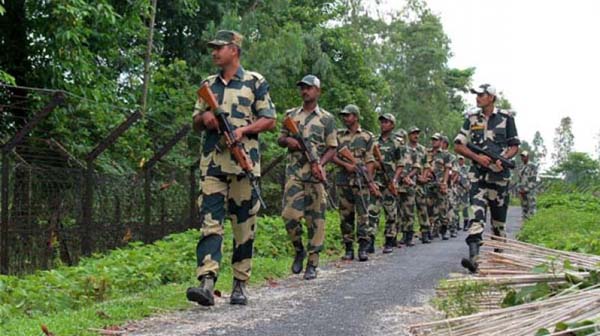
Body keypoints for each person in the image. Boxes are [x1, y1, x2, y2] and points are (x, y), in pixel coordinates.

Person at [187, 30, 276, 306]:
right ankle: (207, 282)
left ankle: (239, 284)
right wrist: (206, 118)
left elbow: (270, 119)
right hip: (212, 164)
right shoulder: (208, 85)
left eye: (219, 48)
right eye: (212, 48)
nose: (214, 52)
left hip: (243, 164)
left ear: (234, 50)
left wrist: (243, 131)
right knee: (210, 224)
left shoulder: (254, 82)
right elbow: (195, 120)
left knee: (243, 226)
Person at [454, 84, 520, 273]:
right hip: (478, 177)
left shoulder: (506, 118)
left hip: (499, 178)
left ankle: (499, 257)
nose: (477, 98)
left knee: (498, 223)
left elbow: (514, 145)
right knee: (476, 217)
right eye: (476, 95)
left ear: (491, 97)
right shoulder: (471, 119)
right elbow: (458, 145)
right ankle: (474, 259)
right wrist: (477, 158)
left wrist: (504, 159)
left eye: (481, 95)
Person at [278, 75, 337, 280]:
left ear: (318, 91)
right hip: (294, 173)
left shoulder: (327, 119)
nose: (305, 91)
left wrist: (319, 163)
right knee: (290, 215)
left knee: (316, 220)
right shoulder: (291, 115)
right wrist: (289, 142)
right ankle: (298, 250)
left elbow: (332, 148)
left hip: (315, 175)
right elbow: (281, 138)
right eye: (302, 88)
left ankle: (312, 262)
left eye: (309, 88)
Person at [333, 104, 379, 262]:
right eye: (344, 116)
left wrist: (369, 179)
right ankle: (348, 248)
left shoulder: (367, 136)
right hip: (343, 180)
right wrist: (346, 165)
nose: (345, 118)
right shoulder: (338, 136)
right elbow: (332, 155)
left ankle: (363, 248)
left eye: (348, 115)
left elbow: (370, 160)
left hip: (361, 182)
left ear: (356, 117)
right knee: (346, 216)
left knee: (363, 215)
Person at [368, 113, 404, 253]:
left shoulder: (397, 143)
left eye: (386, 122)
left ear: (392, 125)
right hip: (377, 181)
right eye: (382, 122)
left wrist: (394, 180)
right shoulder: (374, 142)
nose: (383, 124)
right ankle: (370, 241)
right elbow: (369, 160)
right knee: (372, 212)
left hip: (389, 182)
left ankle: (389, 240)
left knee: (391, 213)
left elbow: (400, 164)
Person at [398, 127, 431, 245]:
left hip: (419, 184)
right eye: (413, 133)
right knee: (407, 210)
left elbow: (426, 165)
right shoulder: (403, 148)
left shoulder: (422, 149)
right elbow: (399, 164)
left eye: (417, 133)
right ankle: (407, 235)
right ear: (409, 135)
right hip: (406, 184)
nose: (416, 135)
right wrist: (403, 177)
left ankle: (426, 233)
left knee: (422, 209)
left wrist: (424, 176)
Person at [424, 133, 452, 240]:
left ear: (441, 141)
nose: (434, 141)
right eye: (433, 140)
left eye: (436, 140)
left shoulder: (445, 155)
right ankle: (430, 230)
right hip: (429, 183)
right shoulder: (427, 153)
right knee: (429, 207)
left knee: (442, 208)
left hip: (440, 184)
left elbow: (447, 169)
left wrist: (445, 182)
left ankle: (444, 230)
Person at [517, 151, 538, 220]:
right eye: (522, 156)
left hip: (530, 189)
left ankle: (533, 221)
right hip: (522, 189)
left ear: (528, 157)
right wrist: (520, 189)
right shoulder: (521, 166)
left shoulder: (532, 166)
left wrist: (527, 189)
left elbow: (533, 179)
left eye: (524, 156)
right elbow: (519, 178)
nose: (523, 158)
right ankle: (525, 220)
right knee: (524, 206)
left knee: (531, 206)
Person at [456, 155, 472, 231]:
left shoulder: (467, 168)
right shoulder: (455, 168)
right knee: (455, 207)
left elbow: (470, 178)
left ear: (464, 160)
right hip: (456, 190)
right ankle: (457, 223)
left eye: (462, 159)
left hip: (465, 190)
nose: (460, 161)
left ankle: (466, 223)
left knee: (465, 207)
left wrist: (468, 187)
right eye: (459, 159)